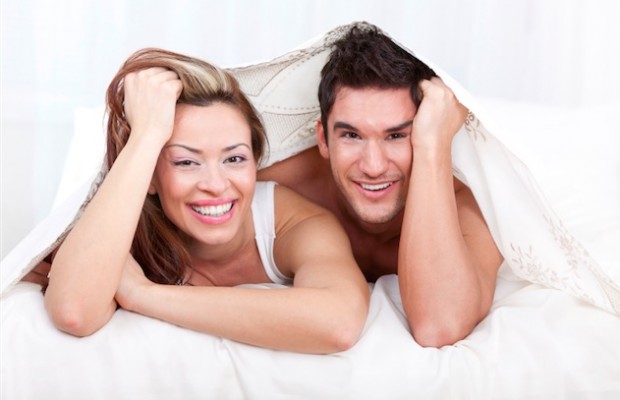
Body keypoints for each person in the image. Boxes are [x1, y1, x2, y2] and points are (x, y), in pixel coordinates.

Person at [29, 48, 369, 354]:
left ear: (255, 162)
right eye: (186, 162)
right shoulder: (121, 223)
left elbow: (338, 323)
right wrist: (147, 133)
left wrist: (143, 295)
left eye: (234, 159)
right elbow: (74, 312)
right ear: (149, 175)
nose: (216, 185)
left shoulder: (293, 222)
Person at [258, 25, 504, 347]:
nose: (373, 167)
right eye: (351, 136)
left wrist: (432, 146)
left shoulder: (468, 206)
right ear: (323, 139)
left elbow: (440, 326)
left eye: (397, 136)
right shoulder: (280, 186)